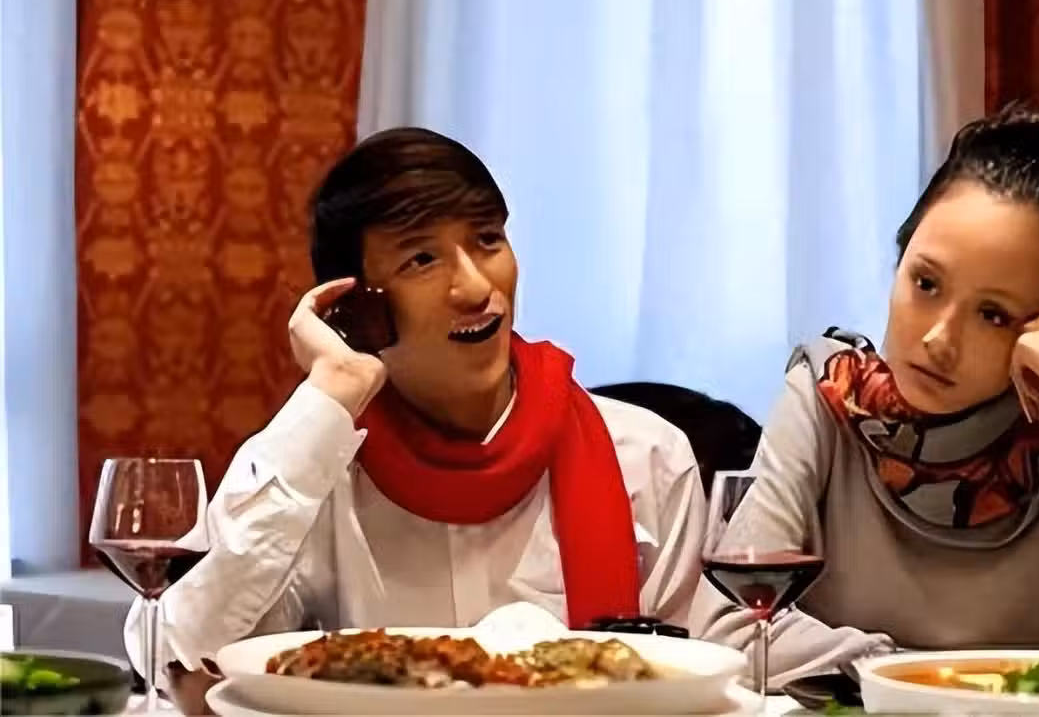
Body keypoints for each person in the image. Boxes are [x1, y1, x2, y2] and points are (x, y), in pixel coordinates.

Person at [125, 128, 707, 693]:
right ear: (358, 306)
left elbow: (696, 682)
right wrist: (332, 390)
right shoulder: (316, 472)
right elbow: (177, 652)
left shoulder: (647, 458)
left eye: (487, 239)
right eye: (422, 259)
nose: (476, 288)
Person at [691, 104, 1039, 683]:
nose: (938, 339)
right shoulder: (829, 398)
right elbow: (732, 632)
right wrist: (928, 681)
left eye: (993, 314)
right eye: (925, 282)